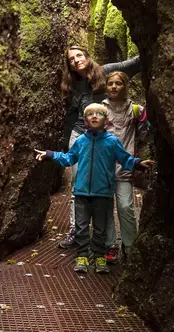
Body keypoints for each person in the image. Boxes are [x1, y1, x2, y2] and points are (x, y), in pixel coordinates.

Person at [35, 103, 154, 273]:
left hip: (103, 192)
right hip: (82, 192)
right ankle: (82, 255)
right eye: (90, 114)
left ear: (106, 120)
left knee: (100, 227)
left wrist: (137, 164)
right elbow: (69, 158)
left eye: (99, 114)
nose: (95, 116)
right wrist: (50, 154)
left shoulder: (112, 142)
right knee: (82, 227)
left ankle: (99, 256)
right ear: (85, 120)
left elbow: (124, 159)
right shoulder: (81, 141)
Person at [59, 46, 140, 249]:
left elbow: (135, 64)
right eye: (71, 59)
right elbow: (71, 116)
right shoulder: (72, 85)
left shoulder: (106, 72)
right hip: (80, 136)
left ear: (87, 56)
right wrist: (66, 143)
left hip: (106, 136)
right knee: (78, 183)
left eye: (79, 55)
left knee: (106, 189)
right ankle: (76, 230)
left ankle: (110, 240)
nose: (76, 60)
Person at [102, 71, 150, 263]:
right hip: (103, 166)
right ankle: (110, 245)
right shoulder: (100, 109)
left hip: (125, 165)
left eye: (118, 84)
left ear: (125, 86)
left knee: (125, 206)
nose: (114, 87)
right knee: (105, 208)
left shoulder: (136, 110)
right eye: (110, 84)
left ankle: (130, 245)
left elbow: (144, 134)